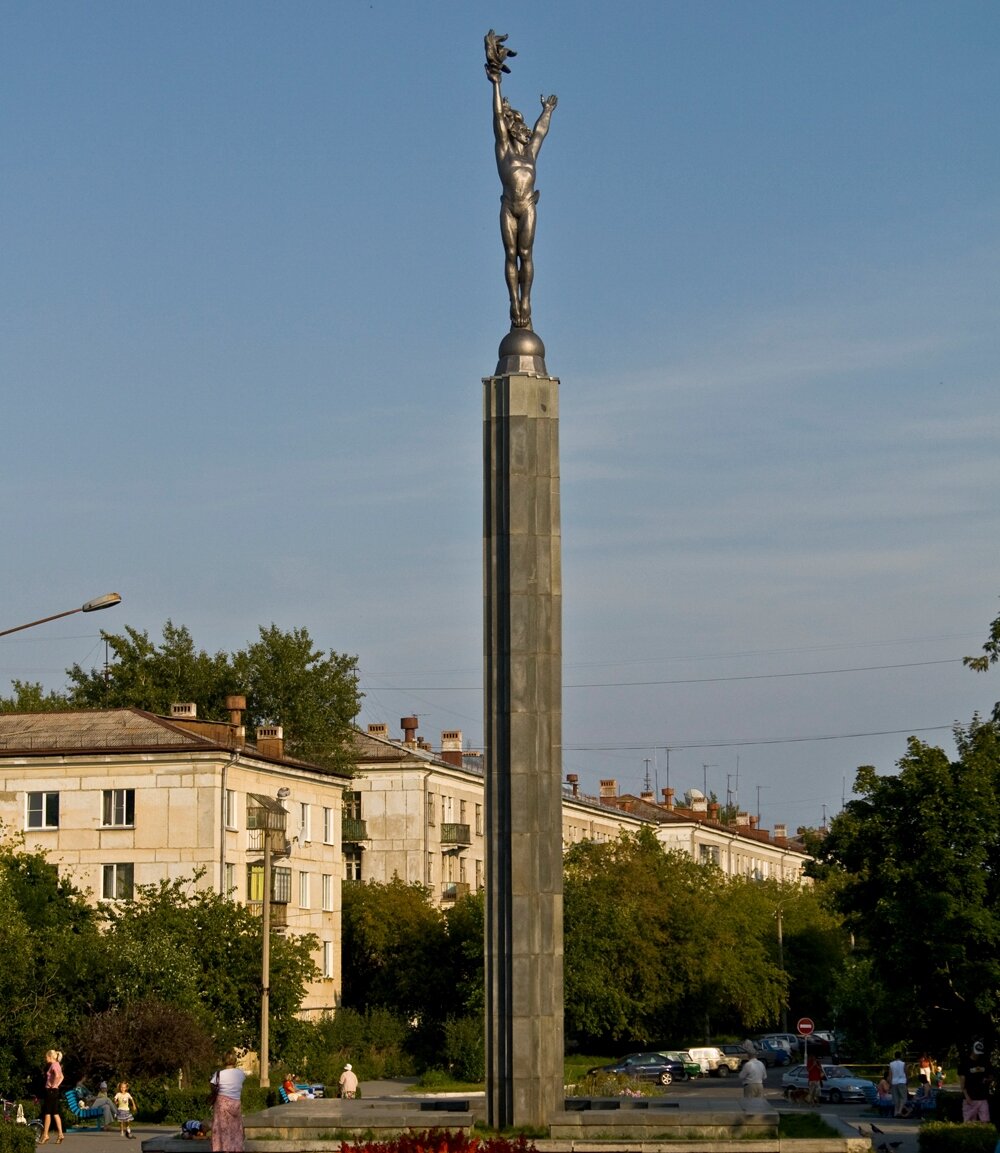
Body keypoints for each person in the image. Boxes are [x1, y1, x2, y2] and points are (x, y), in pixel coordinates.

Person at [484, 30, 557, 331]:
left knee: (525, 254)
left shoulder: (530, 153)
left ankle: (526, 302)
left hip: (527, 204)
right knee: (510, 254)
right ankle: (513, 302)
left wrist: (548, 111)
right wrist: (496, 84)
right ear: (513, 129)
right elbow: (497, 119)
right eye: (521, 124)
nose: (526, 129)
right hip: (508, 205)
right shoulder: (504, 150)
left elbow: (541, 131)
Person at [210, 1051, 247, 1152]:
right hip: (236, 1103)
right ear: (235, 1060)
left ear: (223, 1060)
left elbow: (212, 1087)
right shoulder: (240, 1073)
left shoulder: (218, 1074)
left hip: (222, 1104)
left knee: (221, 1128)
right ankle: (236, 1148)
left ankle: (222, 1148)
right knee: (235, 1128)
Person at [957, 1040, 993, 1123]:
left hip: (983, 1097)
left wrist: (988, 1080)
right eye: (976, 1052)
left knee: (985, 1122)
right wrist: (967, 1096)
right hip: (970, 1098)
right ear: (972, 1049)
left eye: (979, 1052)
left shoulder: (985, 1062)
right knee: (969, 1123)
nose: (977, 1054)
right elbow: (962, 1083)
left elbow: (991, 1076)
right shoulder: (964, 1063)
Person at [40, 1049, 65, 1145]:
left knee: (47, 1113)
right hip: (55, 1091)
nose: (45, 1059)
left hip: (50, 1091)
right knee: (55, 1112)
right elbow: (62, 1077)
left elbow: (58, 1075)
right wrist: (56, 1085)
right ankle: (60, 1134)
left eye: (46, 1057)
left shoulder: (53, 1065)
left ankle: (45, 1134)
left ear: (50, 1057)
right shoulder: (58, 1065)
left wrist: (53, 1085)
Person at [889, 1052, 908, 1117]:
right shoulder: (903, 1064)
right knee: (903, 1097)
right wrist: (907, 1080)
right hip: (902, 1081)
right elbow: (906, 1072)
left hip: (894, 1082)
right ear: (901, 1056)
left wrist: (890, 1083)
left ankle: (896, 1112)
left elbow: (890, 1074)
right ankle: (899, 1111)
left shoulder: (891, 1064)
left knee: (896, 1098)